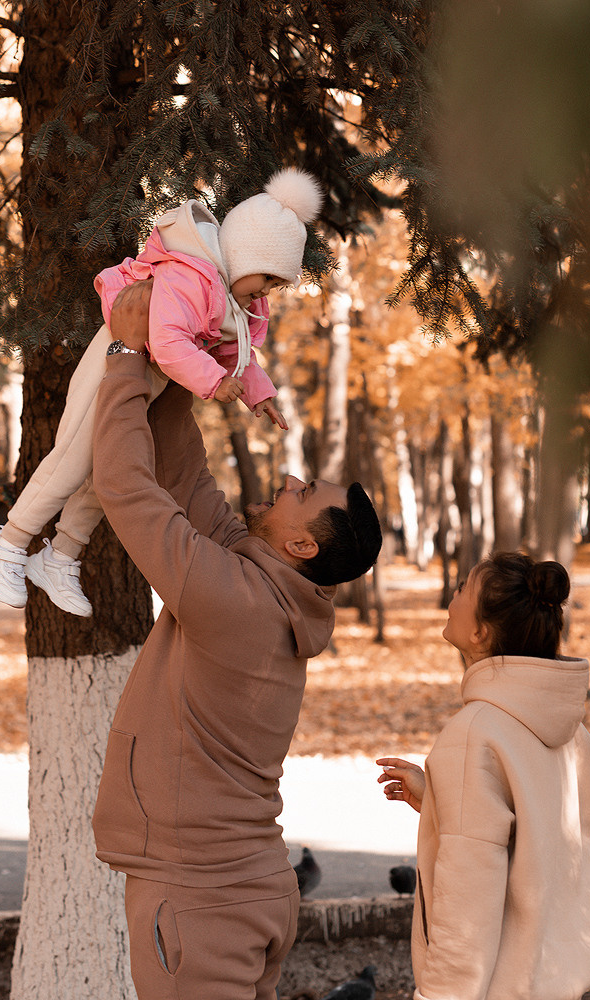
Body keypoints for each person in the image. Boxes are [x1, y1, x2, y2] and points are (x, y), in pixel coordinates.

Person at [89, 279, 383, 1000]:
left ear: (303, 546)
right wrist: (174, 356)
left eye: (302, 493)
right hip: (241, 887)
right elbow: (184, 479)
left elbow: (126, 488)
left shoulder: (239, 603)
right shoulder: (263, 583)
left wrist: (125, 357)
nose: (288, 479)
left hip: (200, 898)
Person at [0, 167, 324, 619]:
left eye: (276, 284)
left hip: (145, 376)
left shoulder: (232, 300)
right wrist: (214, 382)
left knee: (107, 467)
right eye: (268, 278)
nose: (267, 292)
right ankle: (7, 543)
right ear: (244, 255)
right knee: (73, 458)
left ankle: (60, 555)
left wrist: (259, 393)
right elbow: (168, 341)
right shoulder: (189, 277)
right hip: (115, 361)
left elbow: (236, 353)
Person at [376, 551, 590, 1000]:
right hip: (555, 978)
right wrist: (442, 803)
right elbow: (537, 838)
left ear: (480, 632)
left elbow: (467, 900)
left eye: (464, 587)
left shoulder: (475, 734)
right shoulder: (566, 729)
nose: (454, 593)